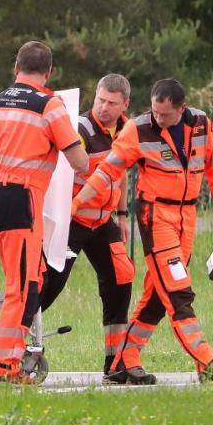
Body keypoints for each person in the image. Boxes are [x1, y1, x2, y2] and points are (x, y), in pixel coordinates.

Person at [75, 78, 213, 384]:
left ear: (182, 108)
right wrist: (78, 202)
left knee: (156, 296)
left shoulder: (202, 124)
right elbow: (107, 170)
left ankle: (124, 359)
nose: (158, 119)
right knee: (177, 289)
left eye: (165, 115)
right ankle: (206, 358)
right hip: (156, 216)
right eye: (154, 111)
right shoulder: (137, 130)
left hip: (187, 216)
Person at [0, 41, 88, 384]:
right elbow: (79, 162)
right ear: (49, 73)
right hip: (21, 200)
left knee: (31, 277)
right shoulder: (49, 105)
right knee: (24, 287)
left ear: (16, 67)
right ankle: (3, 368)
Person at [38, 74, 138, 379]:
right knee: (50, 283)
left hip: (103, 221)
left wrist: (123, 216)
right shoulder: (80, 129)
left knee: (121, 278)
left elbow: (120, 172)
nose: (103, 107)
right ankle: (6, 349)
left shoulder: (127, 130)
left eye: (111, 103)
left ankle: (115, 362)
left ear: (125, 105)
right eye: (100, 100)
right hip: (72, 219)